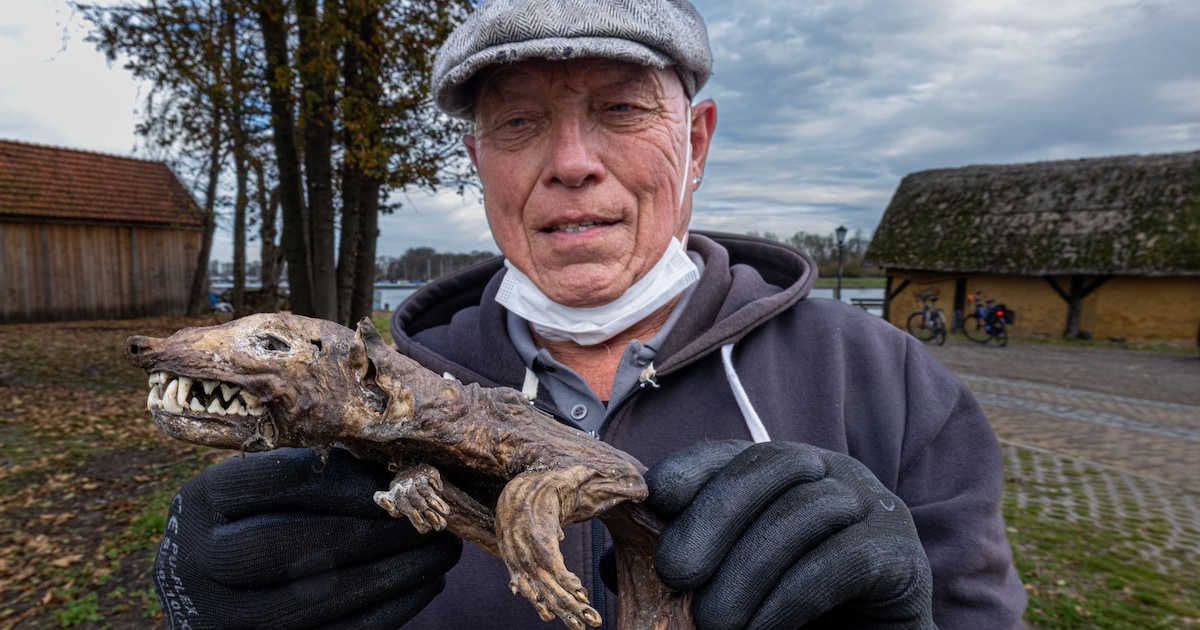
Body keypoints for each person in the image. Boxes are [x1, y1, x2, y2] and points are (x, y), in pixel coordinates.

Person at [152, 1, 1028, 628]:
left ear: (696, 142)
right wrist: (202, 610)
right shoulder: (363, 399)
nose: (572, 162)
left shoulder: (892, 381)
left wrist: (912, 620)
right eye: (519, 122)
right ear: (479, 161)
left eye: (619, 108)